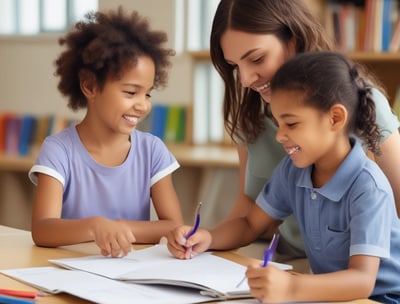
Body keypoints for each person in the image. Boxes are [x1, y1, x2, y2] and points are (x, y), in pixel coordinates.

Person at [167, 51, 400, 303]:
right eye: (278, 124)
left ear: (335, 118)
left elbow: (362, 281)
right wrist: (209, 237)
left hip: (382, 298)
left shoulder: (368, 187)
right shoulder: (293, 170)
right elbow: (249, 224)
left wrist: (290, 287)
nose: (280, 137)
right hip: (332, 296)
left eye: (291, 124)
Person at [208, 0, 400, 262]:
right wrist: (207, 239)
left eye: (257, 59)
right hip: (290, 264)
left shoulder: (361, 105)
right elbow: (250, 208)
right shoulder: (250, 114)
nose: (244, 79)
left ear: (294, 39)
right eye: (234, 66)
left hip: (362, 272)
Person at [28, 7, 184, 258]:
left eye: (148, 93)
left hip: (129, 277)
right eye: (131, 92)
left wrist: (119, 228)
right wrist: (95, 226)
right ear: (90, 86)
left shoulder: (152, 150)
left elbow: (174, 225)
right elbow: (43, 229)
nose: (143, 105)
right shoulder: (58, 150)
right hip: (70, 273)